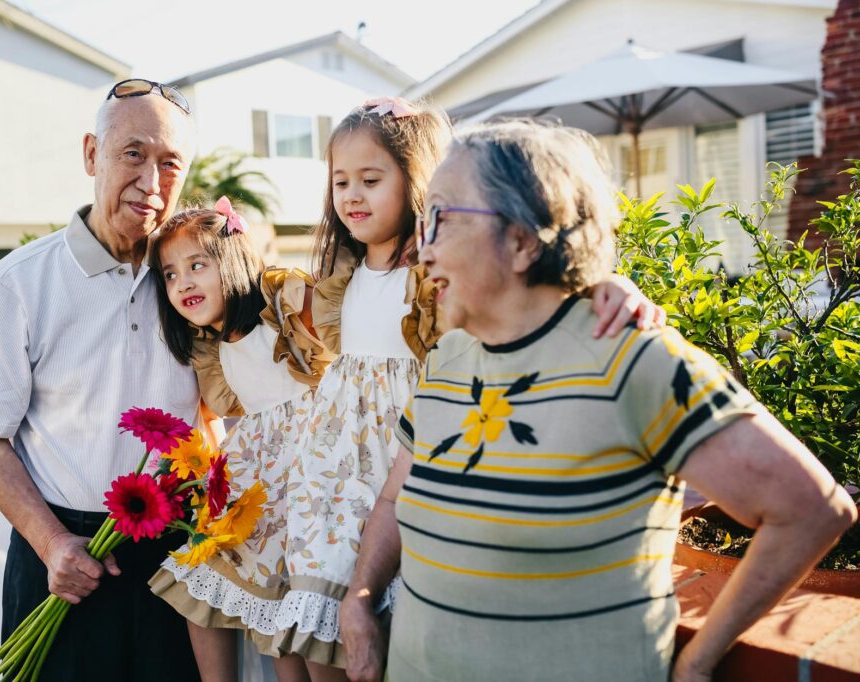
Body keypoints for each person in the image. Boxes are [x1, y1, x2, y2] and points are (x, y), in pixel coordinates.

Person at [339, 119, 859, 682]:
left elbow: (810, 510)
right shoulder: (448, 360)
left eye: (439, 218)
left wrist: (697, 663)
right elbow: (396, 499)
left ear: (521, 238)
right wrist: (359, 598)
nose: (422, 248)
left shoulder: (634, 360)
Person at [271, 98, 667, 681]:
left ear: (418, 182)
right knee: (310, 624)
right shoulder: (340, 279)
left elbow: (531, 290)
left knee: (378, 625)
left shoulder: (435, 273)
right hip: (330, 469)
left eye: (371, 179)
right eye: (341, 181)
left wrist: (609, 283)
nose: (352, 195)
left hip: (397, 454)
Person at [0, 79, 204, 680]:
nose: (152, 182)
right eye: (132, 154)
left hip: (177, 558)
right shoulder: (21, 281)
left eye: (171, 164)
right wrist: (51, 544)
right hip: (63, 560)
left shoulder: (195, 281)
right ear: (92, 154)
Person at [146, 199, 333, 682]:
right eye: (169, 274)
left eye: (197, 265)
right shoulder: (212, 347)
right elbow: (222, 410)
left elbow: (335, 344)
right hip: (263, 489)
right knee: (247, 599)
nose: (182, 282)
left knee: (309, 616)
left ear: (231, 259)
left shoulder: (280, 306)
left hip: (316, 473)